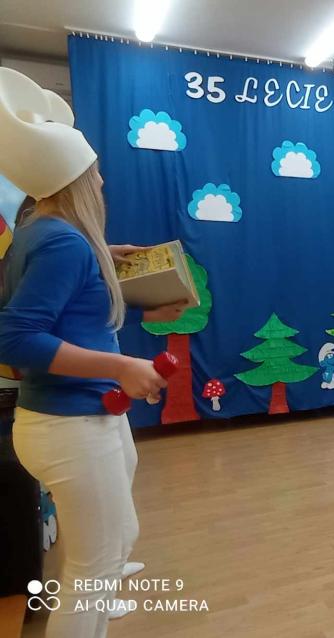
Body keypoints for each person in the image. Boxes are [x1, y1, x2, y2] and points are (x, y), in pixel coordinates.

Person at [0, 67, 183, 637]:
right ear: (77, 180)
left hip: (74, 417)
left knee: (113, 540)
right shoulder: (62, 241)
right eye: (96, 173)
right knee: (90, 577)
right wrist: (123, 366)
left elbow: (73, 313)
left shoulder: (44, 232)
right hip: (70, 423)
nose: (102, 182)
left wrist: (108, 262)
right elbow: (15, 338)